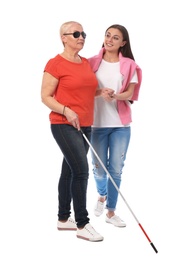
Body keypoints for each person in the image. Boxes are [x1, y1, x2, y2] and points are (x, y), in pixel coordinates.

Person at [41, 21, 103, 241]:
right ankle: (82, 224)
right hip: (63, 124)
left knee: (69, 171)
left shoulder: (85, 63)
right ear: (63, 38)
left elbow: (85, 92)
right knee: (81, 171)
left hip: (85, 124)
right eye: (76, 33)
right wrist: (67, 111)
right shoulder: (55, 63)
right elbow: (45, 97)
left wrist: (101, 92)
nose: (81, 37)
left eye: (83, 33)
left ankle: (63, 218)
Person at [88, 24, 142, 227]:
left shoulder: (129, 65)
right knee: (100, 170)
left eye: (115, 37)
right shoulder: (91, 62)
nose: (109, 39)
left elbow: (129, 92)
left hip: (120, 126)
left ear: (123, 43)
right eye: (107, 35)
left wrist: (115, 96)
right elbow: (84, 88)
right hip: (96, 124)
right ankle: (101, 195)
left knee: (116, 170)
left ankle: (111, 212)